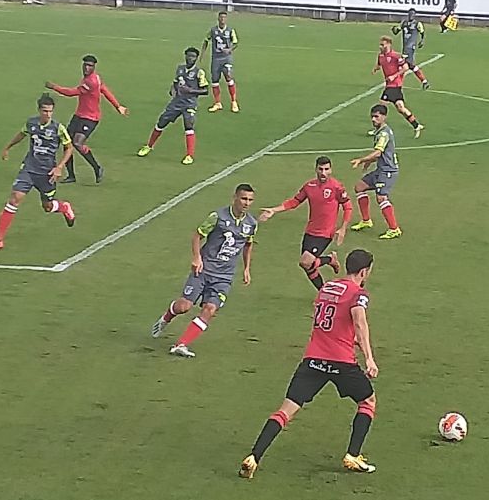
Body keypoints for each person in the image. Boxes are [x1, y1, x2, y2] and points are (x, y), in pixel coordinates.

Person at [238, 249, 379, 479]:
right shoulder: (358, 293)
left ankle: (253, 457)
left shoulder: (327, 287)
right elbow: (359, 320)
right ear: (364, 271)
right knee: (368, 401)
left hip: (313, 359)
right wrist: (369, 359)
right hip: (342, 362)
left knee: (286, 411)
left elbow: (329, 321)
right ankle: (353, 455)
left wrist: (348, 338)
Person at [150, 184, 258, 358]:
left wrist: (246, 268)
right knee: (184, 306)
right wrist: (196, 257)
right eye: (244, 198)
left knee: (210, 309)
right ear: (235, 197)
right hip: (204, 270)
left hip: (224, 277)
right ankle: (166, 317)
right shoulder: (218, 217)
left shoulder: (251, 224)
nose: (246, 203)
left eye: (250, 200)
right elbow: (197, 235)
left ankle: (181, 344)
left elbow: (248, 245)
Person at [0, 94, 75, 250]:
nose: (48, 114)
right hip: (29, 168)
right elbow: (22, 134)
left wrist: (59, 167)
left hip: (47, 173)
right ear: (39, 110)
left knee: (47, 207)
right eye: (45, 111)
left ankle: (64, 207)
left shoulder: (58, 128)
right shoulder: (31, 123)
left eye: (50, 111)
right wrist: (8, 147)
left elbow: (69, 147)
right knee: (15, 198)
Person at [259, 156, 350, 289]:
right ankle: (323, 289)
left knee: (306, 261)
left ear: (331, 170)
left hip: (326, 232)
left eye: (326, 169)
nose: (323, 172)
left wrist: (343, 228)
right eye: (320, 169)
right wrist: (274, 210)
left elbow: (347, 206)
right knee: (307, 266)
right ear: (316, 169)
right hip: (311, 231)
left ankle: (329, 261)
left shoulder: (336, 187)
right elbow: (294, 201)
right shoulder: (309, 186)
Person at [45, 55, 129, 184]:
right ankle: (71, 176)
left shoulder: (91, 81)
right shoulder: (95, 78)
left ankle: (97, 167)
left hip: (90, 118)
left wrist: (54, 87)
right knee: (67, 142)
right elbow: (104, 90)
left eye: (89, 66)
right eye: (85, 65)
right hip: (79, 115)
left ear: (94, 67)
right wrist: (118, 106)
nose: (86, 68)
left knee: (78, 143)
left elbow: (71, 92)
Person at [137, 47, 209, 165]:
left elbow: (205, 90)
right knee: (162, 122)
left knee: (188, 125)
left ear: (196, 58)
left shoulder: (199, 72)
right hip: (176, 102)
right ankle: (149, 146)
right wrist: (172, 90)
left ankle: (189, 155)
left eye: (193, 56)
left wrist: (190, 91)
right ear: (185, 56)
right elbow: (175, 82)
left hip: (189, 103)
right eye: (189, 56)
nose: (190, 58)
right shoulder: (180, 69)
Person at [351, 105, 402, 240]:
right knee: (359, 187)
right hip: (381, 169)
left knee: (381, 198)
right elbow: (380, 154)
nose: (373, 119)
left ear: (384, 117)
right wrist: (369, 162)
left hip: (388, 171)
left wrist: (362, 160)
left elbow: (378, 152)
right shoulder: (379, 131)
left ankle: (394, 229)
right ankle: (366, 220)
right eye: (372, 116)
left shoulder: (384, 134)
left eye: (376, 116)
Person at [370, 36, 424, 139]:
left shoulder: (396, 56)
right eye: (380, 44)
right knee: (401, 108)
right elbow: (379, 64)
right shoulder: (381, 56)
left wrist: (394, 76)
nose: (380, 46)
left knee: (381, 107)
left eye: (383, 44)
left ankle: (378, 129)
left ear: (389, 44)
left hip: (394, 85)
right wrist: (375, 69)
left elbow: (405, 67)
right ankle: (416, 125)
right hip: (393, 86)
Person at [202, 11, 240, 113]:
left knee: (228, 77)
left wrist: (230, 50)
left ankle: (234, 102)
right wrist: (202, 54)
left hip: (226, 58)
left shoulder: (230, 30)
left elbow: (236, 43)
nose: (222, 19)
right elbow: (206, 40)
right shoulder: (213, 30)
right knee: (215, 81)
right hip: (216, 59)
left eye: (224, 18)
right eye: (221, 17)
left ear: (226, 19)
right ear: (218, 19)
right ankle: (217, 103)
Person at [392, 8, 430, 89]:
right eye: (410, 14)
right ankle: (424, 81)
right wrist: (394, 29)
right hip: (405, 47)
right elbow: (396, 32)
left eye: (413, 14)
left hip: (410, 47)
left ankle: (398, 84)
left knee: (402, 64)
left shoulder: (417, 24)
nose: (411, 15)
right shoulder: (404, 23)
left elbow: (422, 33)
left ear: (415, 15)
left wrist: (422, 41)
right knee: (410, 65)